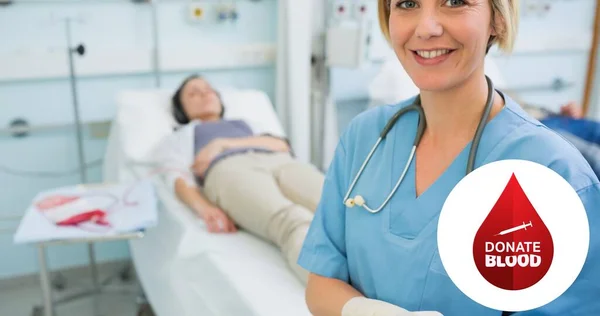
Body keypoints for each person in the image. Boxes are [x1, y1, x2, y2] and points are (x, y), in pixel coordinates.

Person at [297, 0, 600, 315]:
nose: (426, 28)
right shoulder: (365, 138)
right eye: (407, 3)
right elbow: (320, 283)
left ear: (496, 19)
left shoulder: (553, 174)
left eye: (455, 2)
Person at [159, 74, 325, 284]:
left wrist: (221, 144)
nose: (204, 95)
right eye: (193, 93)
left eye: (208, 89)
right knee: (293, 220)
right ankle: (339, 299)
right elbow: (176, 177)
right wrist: (205, 208)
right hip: (228, 170)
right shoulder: (182, 135)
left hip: (281, 161)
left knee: (340, 209)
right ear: (182, 109)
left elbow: (281, 145)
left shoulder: (247, 124)